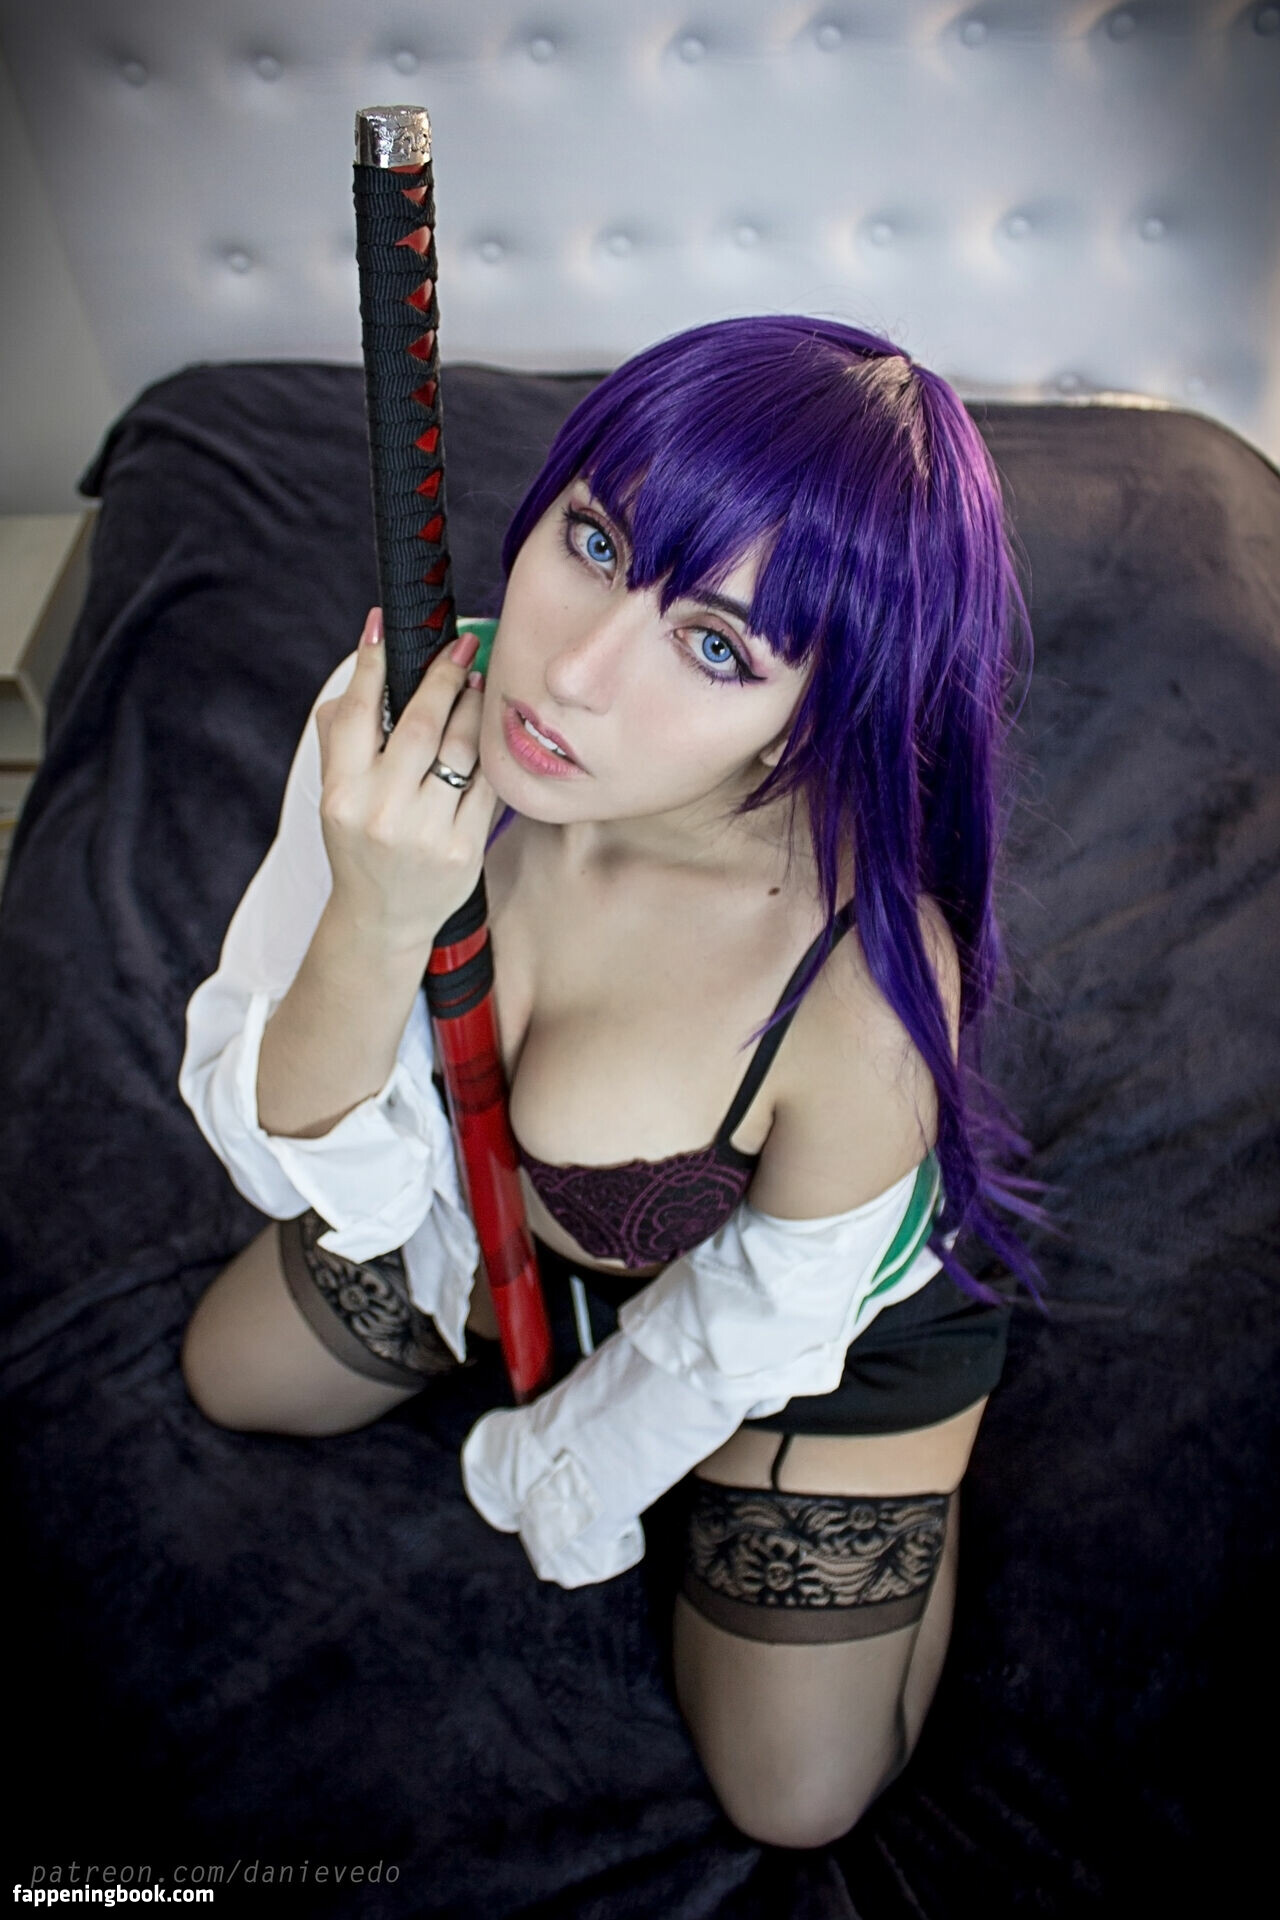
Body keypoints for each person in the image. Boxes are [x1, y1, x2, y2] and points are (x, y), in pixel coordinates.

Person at [178, 315, 1048, 1851]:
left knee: (795, 1800)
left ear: (818, 710)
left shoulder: (856, 984)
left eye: (716, 648)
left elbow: (756, 1323)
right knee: (228, 1374)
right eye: (594, 542)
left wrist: (567, 1454)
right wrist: (376, 912)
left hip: (800, 1329)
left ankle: (921, 1481)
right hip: (489, 1226)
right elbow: (278, 1141)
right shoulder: (413, 728)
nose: (573, 674)